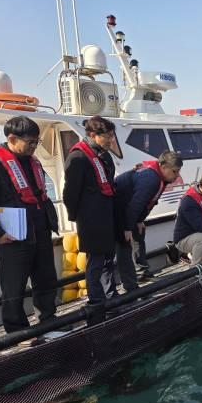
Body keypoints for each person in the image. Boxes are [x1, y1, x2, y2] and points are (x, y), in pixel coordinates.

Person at [0, 116, 58, 333]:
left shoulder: (33, 161)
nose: (34, 146)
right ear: (12, 139)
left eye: (37, 142)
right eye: (30, 142)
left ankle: (48, 319)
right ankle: (16, 331)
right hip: (12, 237)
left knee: (46, 278)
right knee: (14, 286)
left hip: (40, 230)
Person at [63, 116, 118, 310]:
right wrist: (76, 216)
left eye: (112, 135)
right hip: (90, 218)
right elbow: (70, 192)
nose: (111, 140)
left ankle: (111, 296)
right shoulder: (78, 157)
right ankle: (96, 301)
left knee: (108, 259)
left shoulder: (104, 156)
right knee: (95, 261)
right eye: (107, 136)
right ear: (93, 135)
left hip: (106, 215)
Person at [115, 151, 183, 292]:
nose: (177, 175)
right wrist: (127, 227)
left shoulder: (160, 178)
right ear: (163, 167)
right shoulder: (151, 178)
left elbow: (146, 202)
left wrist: (139, 220)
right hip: (117, 208)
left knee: (139, 233)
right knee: (124, 244)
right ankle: (130, 286)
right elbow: (136, 204)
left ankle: (141, 272)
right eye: (174, 171)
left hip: (126, 209)